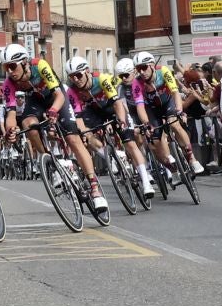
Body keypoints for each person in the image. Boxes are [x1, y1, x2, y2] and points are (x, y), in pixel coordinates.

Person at [3, 44, 104, 212]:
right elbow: (11, 115)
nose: (9, 71)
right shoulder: (9, 83)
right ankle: (49, 161)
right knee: (28, 125)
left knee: (73, 139)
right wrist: (10, 131)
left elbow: (58, 95)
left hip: (56, 98)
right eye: (5, 67)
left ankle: (95, 188)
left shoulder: (40, 66)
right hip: (35, 102)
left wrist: (53, 111)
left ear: (24, 62)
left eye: (12, 66)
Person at [65, 57, 156, 201]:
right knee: (87, 137)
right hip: (94, 113)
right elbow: (78, 116)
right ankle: (110, 158)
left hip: (112, 108)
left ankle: (146, 182)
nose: (76, 79)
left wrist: (121, 121)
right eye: (72, 77)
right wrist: (84, 132)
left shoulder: (101, 80)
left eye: (79, 75)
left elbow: (117, 103)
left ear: (87, 71)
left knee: (130, 143)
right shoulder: (72, 91)